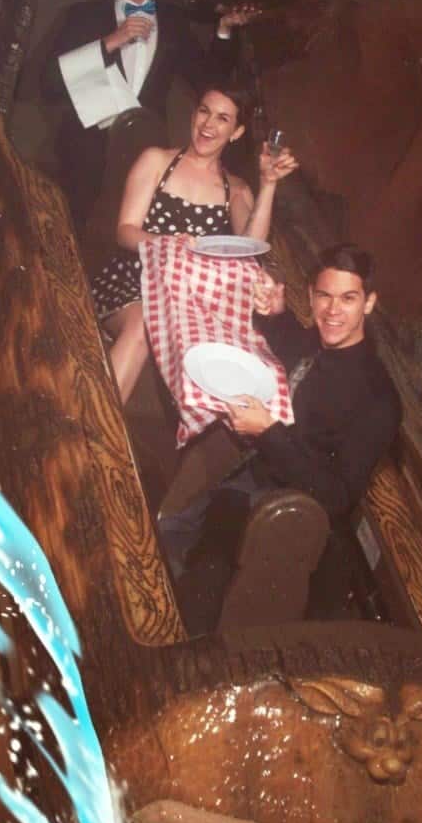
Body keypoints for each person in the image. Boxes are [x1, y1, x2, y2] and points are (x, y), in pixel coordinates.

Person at [158, 242, 402, 630]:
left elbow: (337, 498)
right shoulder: (320, 340)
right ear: (311, 295)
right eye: (323, 296)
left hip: (293, 518)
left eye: (348, 299)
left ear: (369, 303)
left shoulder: (378, 399)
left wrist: (268, 433)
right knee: (188, 539)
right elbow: (297, 349)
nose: (333, 311)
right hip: (257, 473)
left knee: (207, 576)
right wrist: (275, 315)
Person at [92, 81, 298, 404]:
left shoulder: (237, 189)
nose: (208, 125)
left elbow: (250, 249)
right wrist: (169, 243)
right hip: (136, 280)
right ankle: (97, 426)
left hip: (189, 297)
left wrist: (268, 184)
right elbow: (126, 231)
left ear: (237, 132)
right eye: (204, 111)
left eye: (222, 118)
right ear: (193, 115)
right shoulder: (156, 160)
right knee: (143, 324)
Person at [42, 0, 250, 232]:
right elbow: (48, 85)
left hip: (148, 155)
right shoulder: (81, 16)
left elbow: (209, 80)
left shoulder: (174, 22)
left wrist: (225, 30)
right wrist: (110, 42)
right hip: (83, 158)